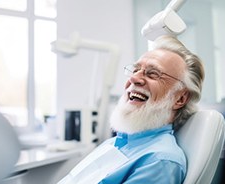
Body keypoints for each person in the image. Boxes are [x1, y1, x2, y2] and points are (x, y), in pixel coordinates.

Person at [58, 35, 205, 184]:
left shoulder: (159, 161)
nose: (134, 79)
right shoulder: (114, 143)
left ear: (180, 99)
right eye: (135, 70)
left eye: (153, 74)